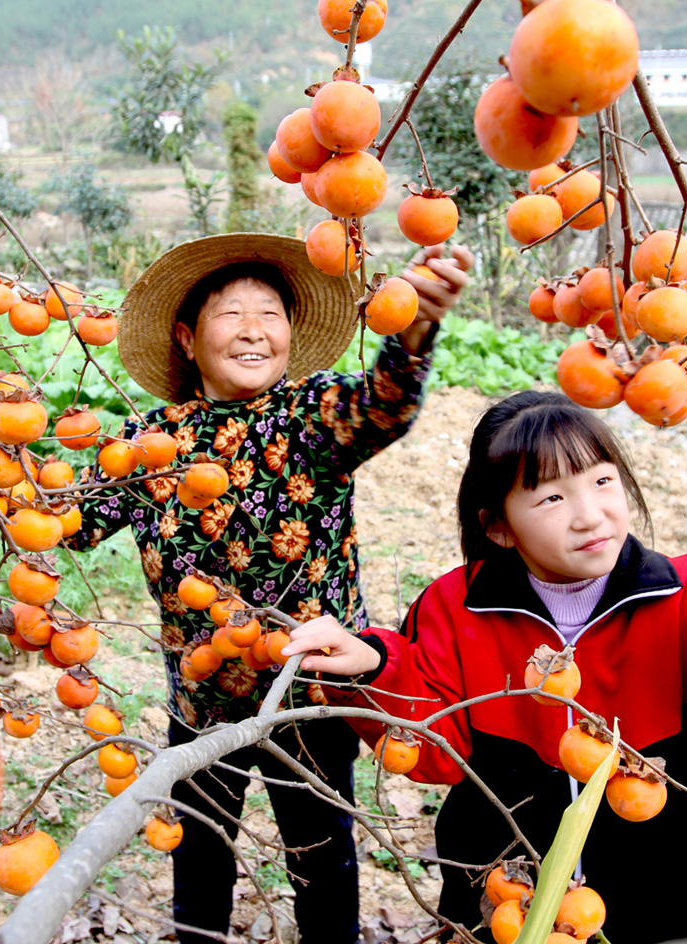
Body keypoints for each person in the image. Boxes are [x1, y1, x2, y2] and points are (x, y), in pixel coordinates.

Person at [283, 389, 687, 943]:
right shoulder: (455, 610)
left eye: (602, 481)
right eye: (552, 497)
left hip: (666, 901)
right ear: (497, 526)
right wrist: (373, 668)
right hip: (503, 896)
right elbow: (434, 747)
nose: (589, 514)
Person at [66, 232, 474, 944]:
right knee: (201, 859)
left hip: (310, 693)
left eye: (270, 314)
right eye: (230, 315)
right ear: (189, 340)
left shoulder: (313, 417)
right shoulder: (145, 442)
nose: (253, 329)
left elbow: (384, 407)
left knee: (321, 858)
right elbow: (67, 524)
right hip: (203, 701)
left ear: (290, 335)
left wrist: (412, 330)